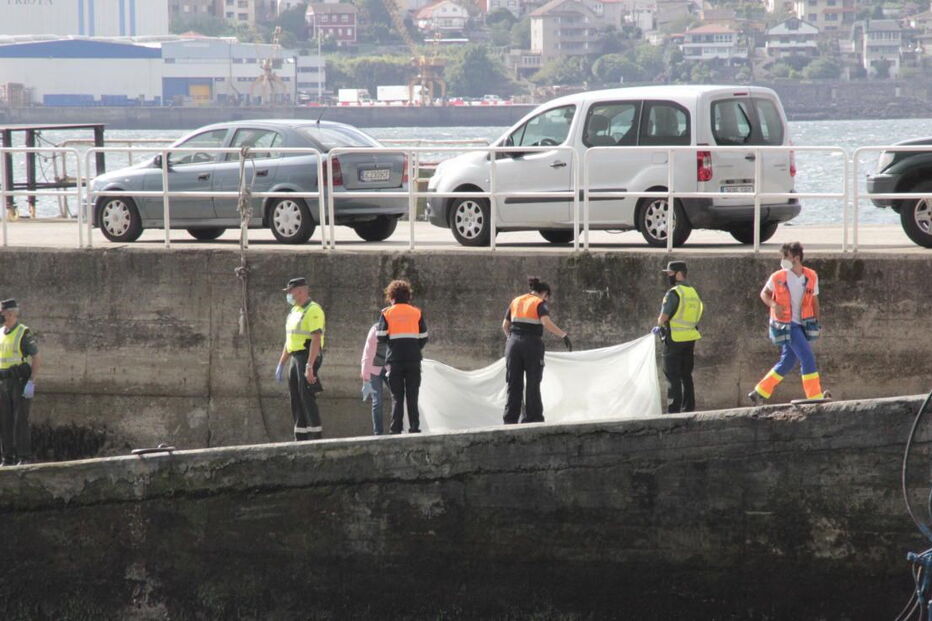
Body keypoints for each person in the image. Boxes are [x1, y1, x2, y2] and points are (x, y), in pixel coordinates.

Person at [748, 242, 829, 405]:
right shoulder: (778, 277)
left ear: (796, 258)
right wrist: (774, 305)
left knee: (788, 360)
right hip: (787, 324)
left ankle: (760, 392)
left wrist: (817, 321)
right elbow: (764, 294)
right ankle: (814, 397)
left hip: (803, 324)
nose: (782, 259)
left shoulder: (811, 276)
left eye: (786, 256)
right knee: (807, 357)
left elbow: (814, 300)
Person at [501, 276, 572, 425]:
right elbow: (546, 322)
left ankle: (510, 421)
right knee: (533, 383)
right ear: (544, 293)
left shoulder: (516, 301)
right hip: (531, 345)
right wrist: (563, 335)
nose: (547, 300)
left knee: (514, 383)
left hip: (513, 345)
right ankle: (533, 419)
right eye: (547, 297)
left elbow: (505, 326)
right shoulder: (539, 303)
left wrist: (511, 339)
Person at [275, 278, 325, 440]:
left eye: (290, 292)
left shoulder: (313, 310)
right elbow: (290, 340)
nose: (289, 295)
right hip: (295, 357)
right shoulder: (294, 312)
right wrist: (281, 363)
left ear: (300, 291)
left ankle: (316, 436)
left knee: (306, 395)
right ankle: (300, 436)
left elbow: (316, 338)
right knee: (296, 397)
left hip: (307, 355)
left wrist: (310, 366)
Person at [377, 280, 428, 435]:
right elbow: (424, 337)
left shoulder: (387, 313)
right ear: (408, 295)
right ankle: (414, 427)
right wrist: (414, 348)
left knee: (397, 397)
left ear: (391, 296)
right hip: (413, 360)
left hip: (395, 360)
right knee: (413, 396)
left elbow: (380, 336)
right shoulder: (416, 312)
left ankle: (395, 429)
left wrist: (393, 344)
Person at [653, 261, 703, 414]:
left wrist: (659, 325)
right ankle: (688, 409)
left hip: (674, 338)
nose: (668, 276)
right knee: (686, 375)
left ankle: (673, 412)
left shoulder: (674, 293)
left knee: (672, 376)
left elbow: (664, 317)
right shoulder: (693, 292)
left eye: (670, 273)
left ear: (679, 274)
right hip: (690, 339)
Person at [0, 299, 39, 466]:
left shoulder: (23, 332)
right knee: (4, 420)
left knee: (20, 420)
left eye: (2, 313)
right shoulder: (0, 333)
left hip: (20, 382)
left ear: (10, 313)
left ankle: (24, 457)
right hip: (3, 383)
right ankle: (7, 457)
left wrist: (32, 381)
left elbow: (36, 358)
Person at [360, 321, 389, 435]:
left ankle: (397, 430)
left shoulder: (396, 328)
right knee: (377, 401)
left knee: (399, 398)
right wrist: (365, 379)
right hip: (373, 369)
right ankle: (378, 434)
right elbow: (367, 355)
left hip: (390, 368)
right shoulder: (375, 330)